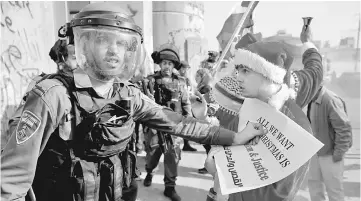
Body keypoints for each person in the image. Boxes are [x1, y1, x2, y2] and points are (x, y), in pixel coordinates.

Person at [0, 3, 267, 201]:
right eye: (103, 40)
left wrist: (234, 137)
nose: (114, 50)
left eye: (122, 43)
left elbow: (181, 124)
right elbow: (12, 179)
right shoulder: (52, 96)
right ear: (83, 44)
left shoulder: (128, 94)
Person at [205, 24, 324, 201]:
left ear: (268, 75)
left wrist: (225, 183)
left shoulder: (294, 125)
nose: (237, 77)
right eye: (238, 70)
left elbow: (279, 194)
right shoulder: (248, 106)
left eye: (245, 71)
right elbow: (225, 144)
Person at [141, 45, 192, 201]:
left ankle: (170, 187)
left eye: (170, 64)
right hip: (155, 126)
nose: (167, 66)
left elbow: (185, 103)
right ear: (160, 64)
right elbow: (143, 103)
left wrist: (188, 118)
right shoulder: (150, 81)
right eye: (164, 63)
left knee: (172, 156)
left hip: (173, 126)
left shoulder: (181, 82)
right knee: (152, 155)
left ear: (174, 66)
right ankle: (150, 172)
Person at [307, 85, 352, 201]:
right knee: (314, 187)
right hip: (313, 153)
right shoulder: (310, 100)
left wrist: (338, 153)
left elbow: (344, 129)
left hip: (330, 155)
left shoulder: (330, 100)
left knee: (334, 190)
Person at [177, 61, 197, 152]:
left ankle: (186, 143)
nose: (187, 70)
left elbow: (190, 90)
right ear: (181, 69)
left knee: (187, 124)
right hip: (180, 104)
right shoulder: (178, 78)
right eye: (185, 68)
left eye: (188, 69)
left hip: (188, 103)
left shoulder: (187, 79)